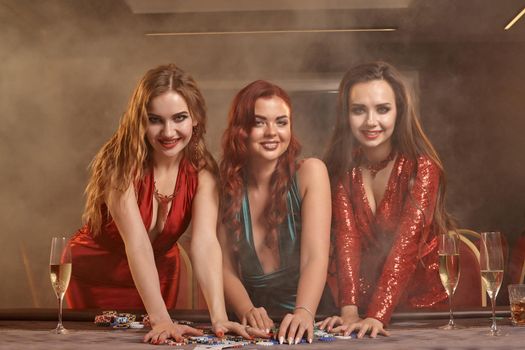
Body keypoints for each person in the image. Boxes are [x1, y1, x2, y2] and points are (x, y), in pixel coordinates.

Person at [66, 64, 259, 344]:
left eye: (179, 118)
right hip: (95, 272)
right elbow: (137, 242)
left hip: (160, 273)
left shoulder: (203, 170)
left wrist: (219, 317)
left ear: (195, 118)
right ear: (140, 121)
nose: (168, 132)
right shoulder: (119, 163)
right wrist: (161, 317)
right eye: (155, 119)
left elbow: (205, 242)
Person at [320, 61, 453, 338]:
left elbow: (405, 246)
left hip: (422, 310)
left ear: (399, 111)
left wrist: (378, 315)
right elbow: (347, 240)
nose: (371, 121)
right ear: (346, 115)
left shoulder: (422, 167)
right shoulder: (341, 170)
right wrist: (349, 311)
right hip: (362, 309)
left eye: (382, 109)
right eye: (359, 110)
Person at [218, 80, 335, 345]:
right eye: (259, 122)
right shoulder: (224, 186)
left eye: (281, 122)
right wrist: (247, 309)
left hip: (312, 317)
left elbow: (315, 257)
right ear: (241, 130)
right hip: (254, 326)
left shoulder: (310, 173)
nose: (272, 132)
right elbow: (224, 266)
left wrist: (304, 312)